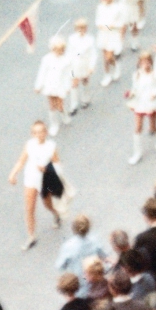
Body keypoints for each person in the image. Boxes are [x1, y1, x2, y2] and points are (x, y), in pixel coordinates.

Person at [9, 120, 62, 250]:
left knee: (47, 204)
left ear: (46, 132)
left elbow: (58, 165)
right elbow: (21, 161)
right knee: (29, 208)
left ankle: (55, 214)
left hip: (44, 180)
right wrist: (13, 173)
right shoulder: (29, 145)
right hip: (31, 178)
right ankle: (31, 236)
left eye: (41, 131)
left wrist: (47, 169)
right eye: (36, 132)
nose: (39, 135)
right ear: (32, 134)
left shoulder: (51, 146)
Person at [127, 52, 156, 164]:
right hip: (140, 103)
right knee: (138, 127)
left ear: (151, 62)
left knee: (152, 127)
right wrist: (131, 93)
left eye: (147, 61)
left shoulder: (155, 75)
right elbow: (134, 87)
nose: (145, 64)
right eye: (142, 62)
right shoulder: (136, 74)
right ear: (139, 63)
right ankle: (137, 153)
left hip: (151, 103)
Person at [36, 36, 74, 136]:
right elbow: (42, 73)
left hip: (60, 85)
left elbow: (68, 74)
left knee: (60, 105)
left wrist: (68, 87)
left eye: (62, 49)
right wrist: (38, 86)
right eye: (57, 49)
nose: (60, 51)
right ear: (53, 49)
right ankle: (54, 124)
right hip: (50, 85)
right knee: (52, 105)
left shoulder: (66, 60)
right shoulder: (46, 59)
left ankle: (64, 115)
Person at [67, 18, 97, 115]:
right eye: (79, 27)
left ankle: (85, 99)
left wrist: (91, 66)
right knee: (74, 83)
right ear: (75, 28)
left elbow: (93, 54)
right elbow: (69, 52)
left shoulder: (90, 39)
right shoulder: (72, 39)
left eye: (83, 27)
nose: (81, 29)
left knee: (84, 80)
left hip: (85, 63)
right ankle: (73, 105)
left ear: (86, 28)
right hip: (75, 63)